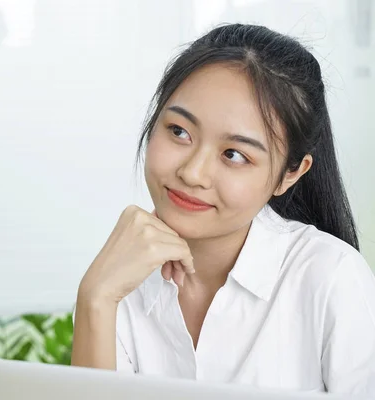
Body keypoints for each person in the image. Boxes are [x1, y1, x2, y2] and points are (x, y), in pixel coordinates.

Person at [71, 23, 375, 396]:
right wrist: (96, 298)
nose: (192, 173)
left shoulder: (331, 279)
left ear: (290, 174)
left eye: (234, 155)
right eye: (180, 131)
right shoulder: (120, 277)